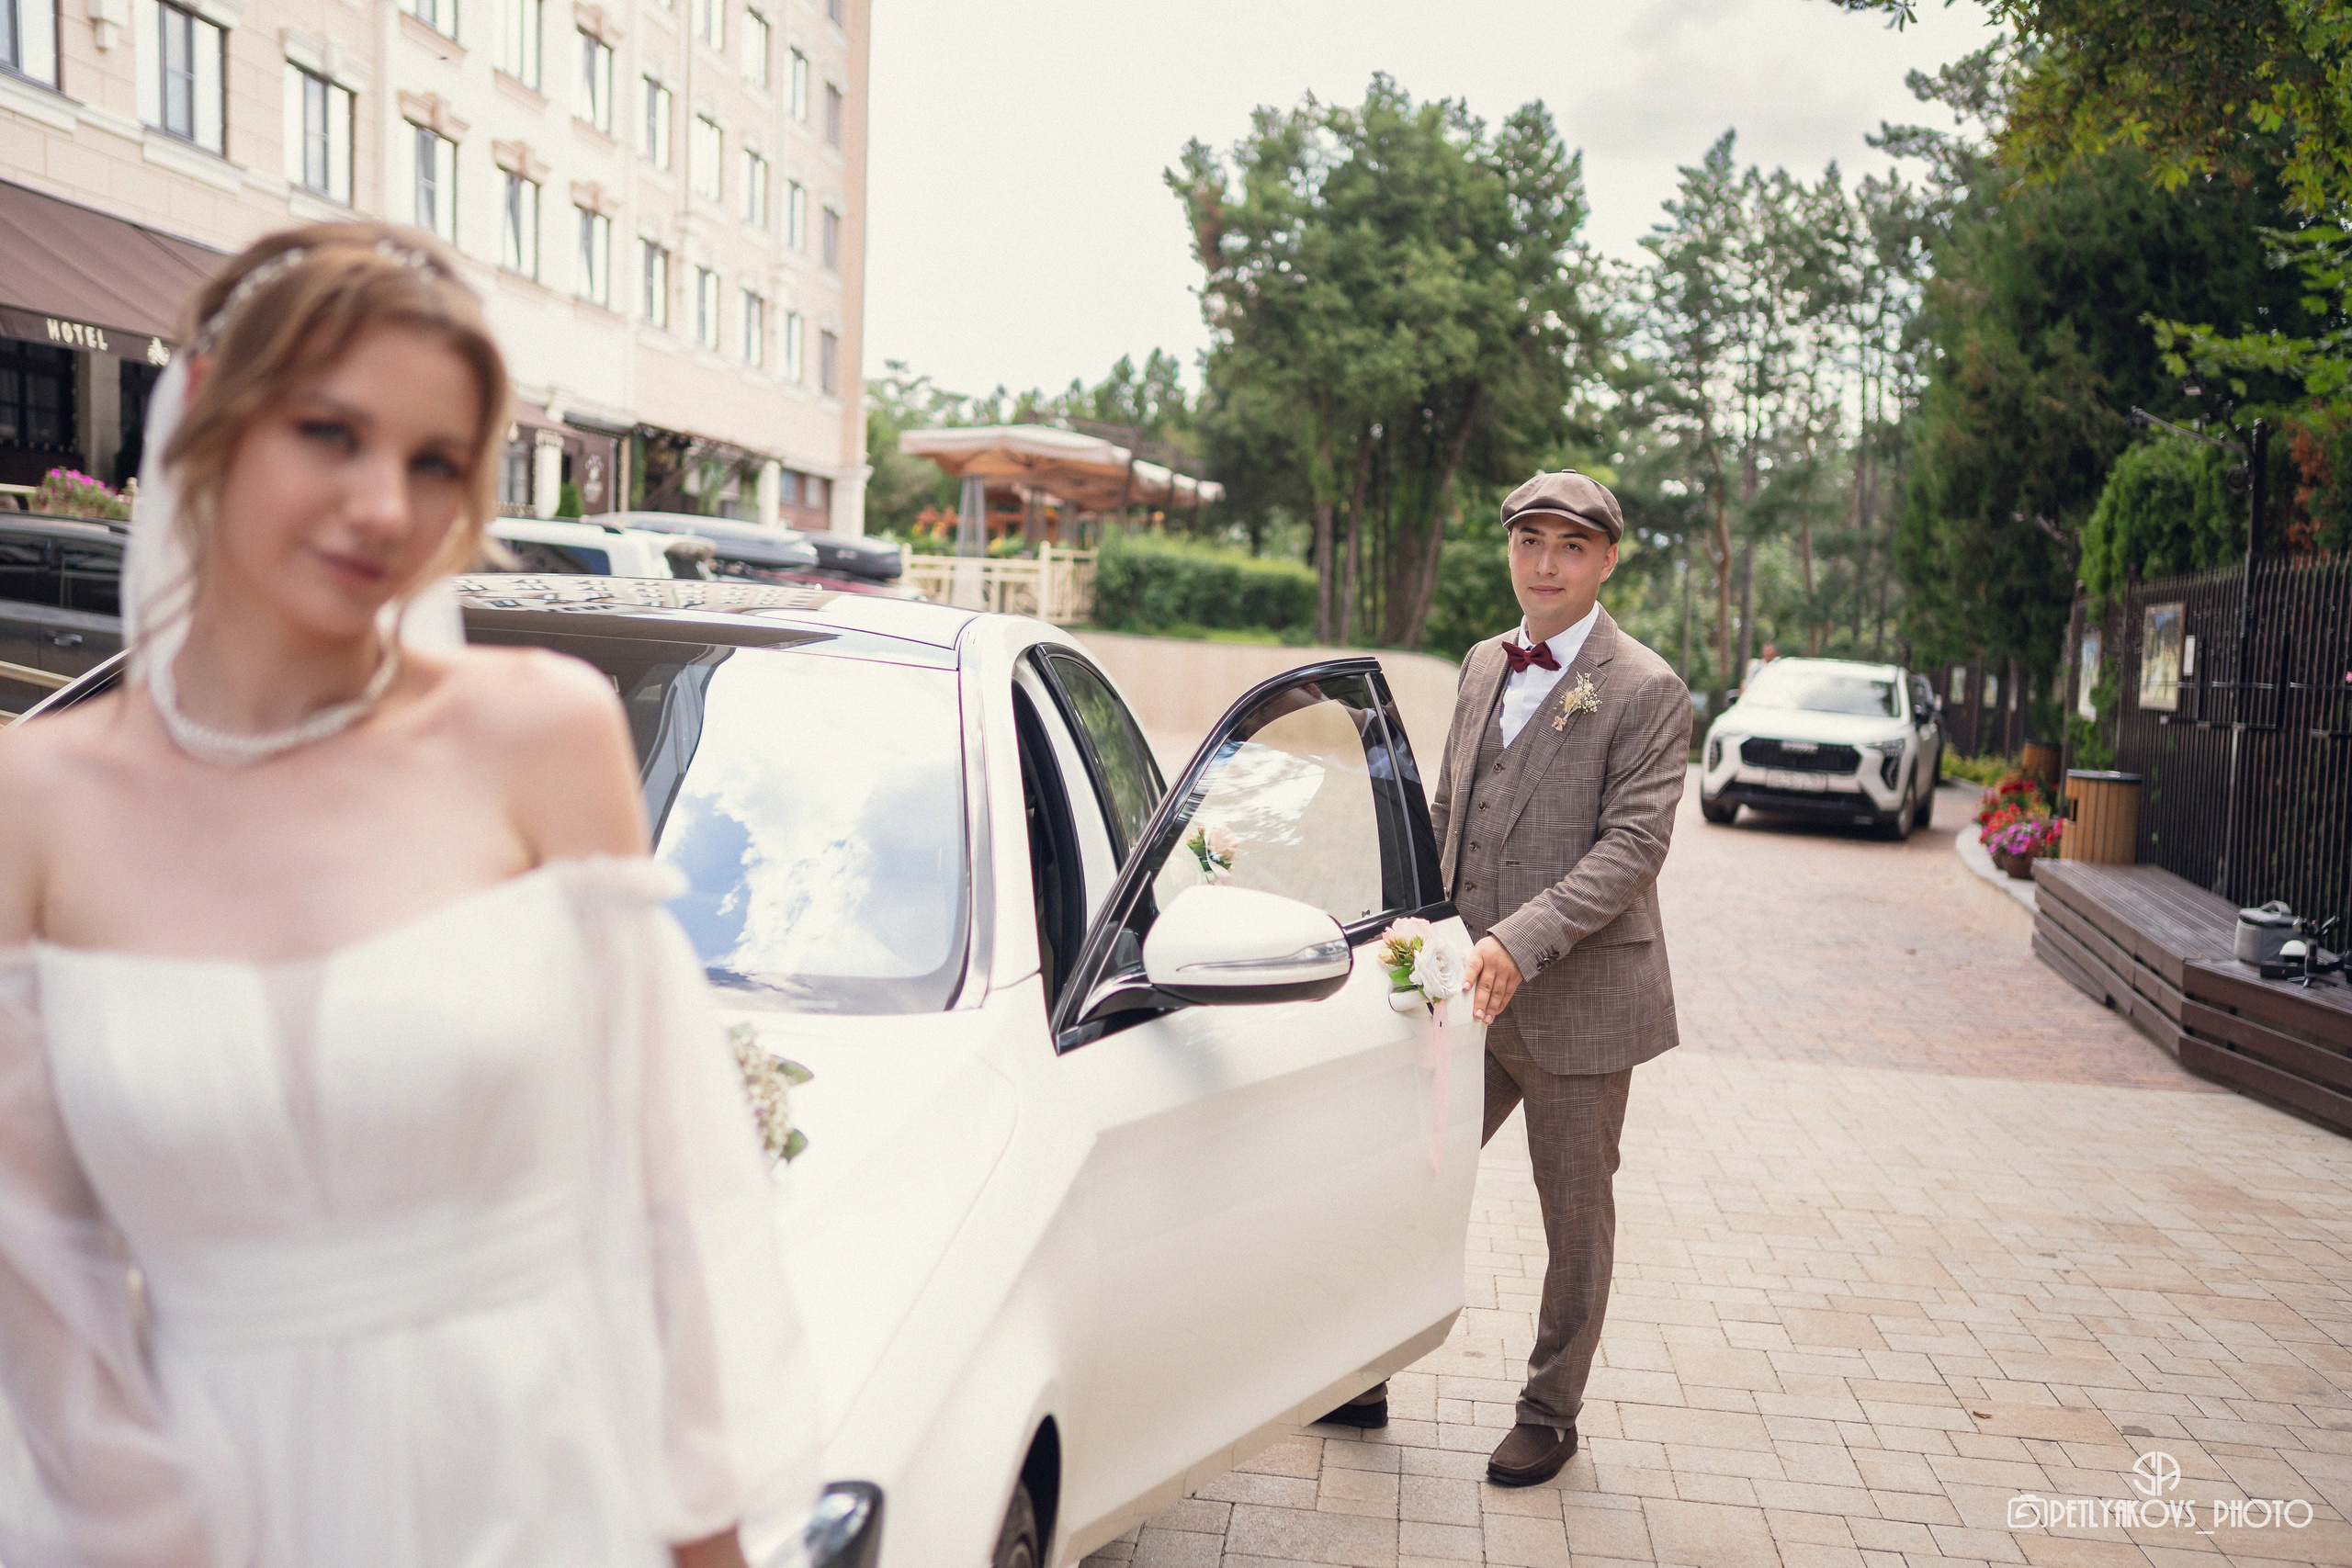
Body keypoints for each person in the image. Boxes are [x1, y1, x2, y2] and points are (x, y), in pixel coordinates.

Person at [0, 225, 813, 1566]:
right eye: (331, 433)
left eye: (435, 462)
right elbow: (37, 1276)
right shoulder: (36, 802)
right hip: (210, 1520)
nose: (385, 505)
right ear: (205, 423)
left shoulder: (542, 734)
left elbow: (662, 1196)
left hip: (545, 1492)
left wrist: (703, 1533)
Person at [1430, 469, 1690, 1486]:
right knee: (1412, 1173)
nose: (1545, 563)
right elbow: (1450, 811)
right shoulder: (1478, 663)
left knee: (1573, 1217)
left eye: (1570, 546)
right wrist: (1415, 929)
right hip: (1467, 997)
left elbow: (1633, 847)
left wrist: (1519, 939)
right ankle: (1364, 1361)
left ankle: (1550, 1409)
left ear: (1607, 559)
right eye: (1529, 540)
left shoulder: (1646, 687)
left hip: (1582, 1009)